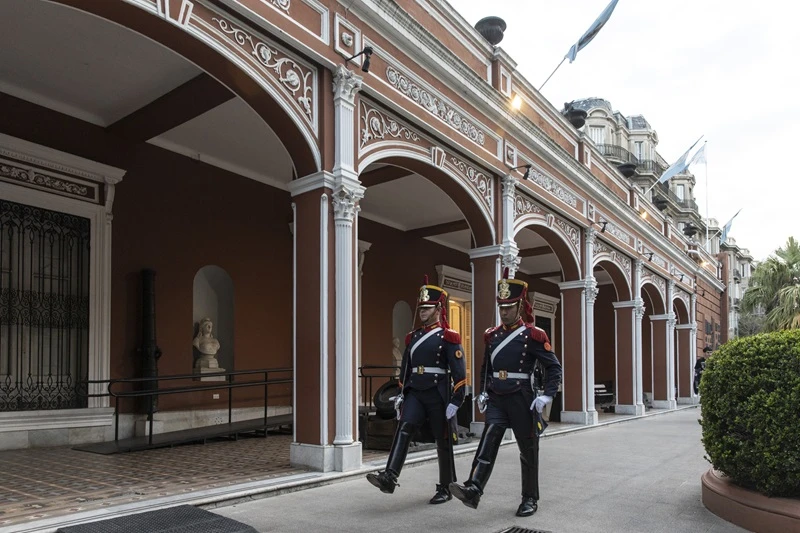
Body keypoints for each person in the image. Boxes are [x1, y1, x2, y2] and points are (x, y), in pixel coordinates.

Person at [449, 268, 562, 517]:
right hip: (497, 396)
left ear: (520, 306)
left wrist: (547, 394)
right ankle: (474, 488)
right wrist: (482, 392)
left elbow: (554, 366)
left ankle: (529, 498)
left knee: (528, 450)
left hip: (522, 397)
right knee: (488, 441)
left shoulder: (533, 335)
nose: (504, 312)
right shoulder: (492, 335)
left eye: (509, 307)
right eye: (501, 307)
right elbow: (485, 367)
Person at [367, 276, 467, 504]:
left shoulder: (448, 337)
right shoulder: (413, 337)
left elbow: (459, 372)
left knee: (442, 440)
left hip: (437, 393)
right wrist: (401, 394)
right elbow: (405, 369)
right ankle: (390, 477)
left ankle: (446, 487)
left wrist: (456, 400)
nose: (422, 311)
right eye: (421, 307)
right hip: (415, 392)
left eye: (427, 308)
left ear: (438, 309)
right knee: (404, 429)